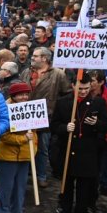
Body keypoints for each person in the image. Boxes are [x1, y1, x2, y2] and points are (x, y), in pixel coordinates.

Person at [50, 75, 107, 213]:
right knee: (66, 186)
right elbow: (54, 125)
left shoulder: (98, 102)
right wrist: (64, 128)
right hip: (68, 151)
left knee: (84, 189)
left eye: (86, 89)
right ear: (72, 86)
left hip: (88, 153)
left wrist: (97, 123)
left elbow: (106, 126)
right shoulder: (63, 102)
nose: (83, 92)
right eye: (80, 89)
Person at [22, 47, 71, 183]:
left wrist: (55, 109)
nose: (32, 57)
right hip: (26, 115)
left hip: (46, 116)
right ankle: (25, 174)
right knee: (25, 144)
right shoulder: (26, 72)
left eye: (35, 55)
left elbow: (66, 94)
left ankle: (41, 176)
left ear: (44, 58)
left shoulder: (58, 74)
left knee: (42, 148)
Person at [0, 83, 37, 213]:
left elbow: (34, 133)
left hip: (25, 154)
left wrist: (34, 148)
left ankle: (17, 212)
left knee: (20, 186)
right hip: (8, 155)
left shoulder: (30, 108)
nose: (24, 97)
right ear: (13, 95)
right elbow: (3, 135)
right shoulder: (4, 109)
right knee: (6, 186)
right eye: (21, 94)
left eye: (26, 94)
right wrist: (23, 138)